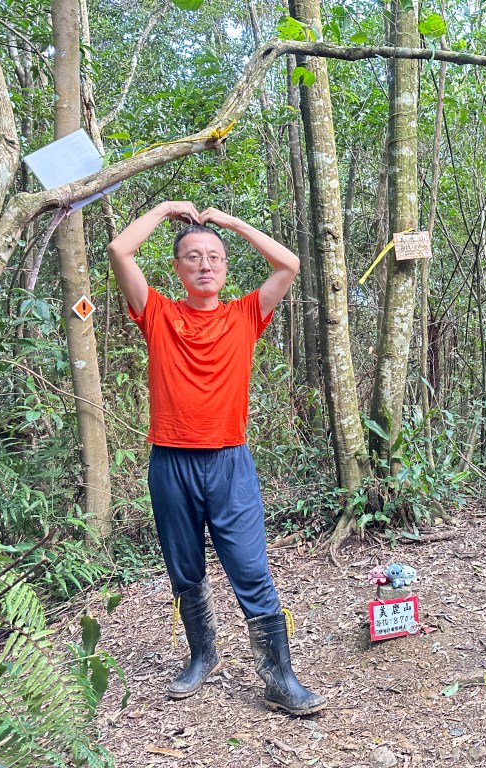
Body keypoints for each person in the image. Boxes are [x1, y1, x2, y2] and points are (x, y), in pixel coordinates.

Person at [108, 201, 325, 715]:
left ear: (225, 267)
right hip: (171, 463)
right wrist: (164, 210)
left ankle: (279, 676)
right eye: (193, 257)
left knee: (251, 569)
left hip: (229, 463)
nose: (204, 265)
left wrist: (230, 222)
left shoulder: (245, 315)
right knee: (184, 569)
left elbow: (289, 264)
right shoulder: (158, 314)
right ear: (177, 268)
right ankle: (202, 655)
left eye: (213, 257)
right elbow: (119, 250)